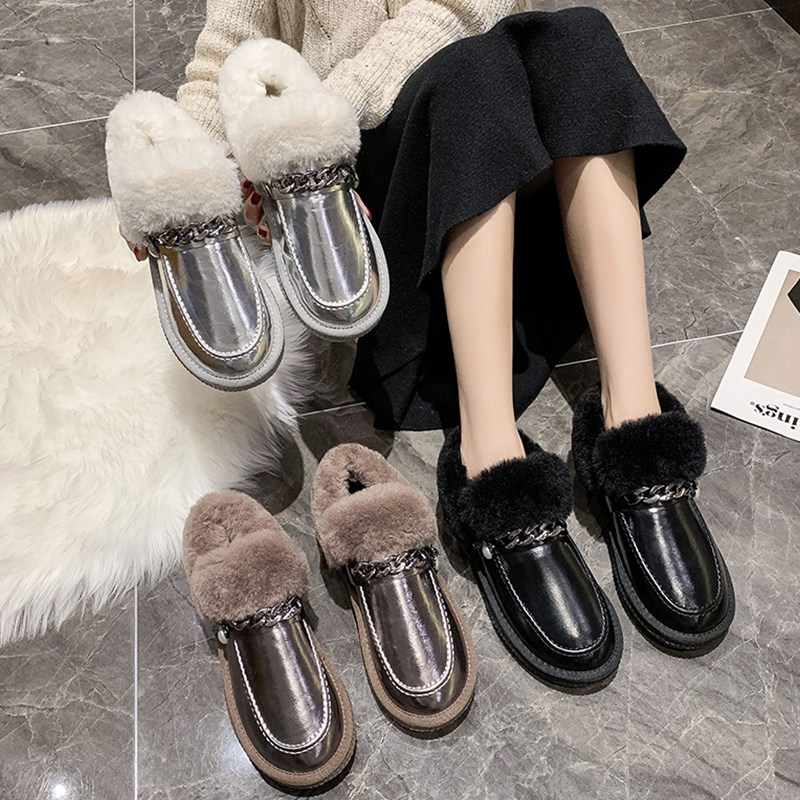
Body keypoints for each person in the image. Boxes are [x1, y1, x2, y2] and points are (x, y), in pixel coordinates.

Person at [127, 0, 735, 683]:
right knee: (472, 74)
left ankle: (634, 418)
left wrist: (311, 120)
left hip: (475, 159)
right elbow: (226, 53)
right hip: (373, 223)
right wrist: (175, 182)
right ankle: (488, 451)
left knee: (577, 40)